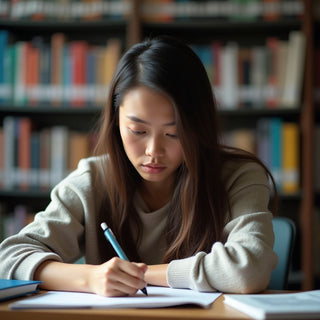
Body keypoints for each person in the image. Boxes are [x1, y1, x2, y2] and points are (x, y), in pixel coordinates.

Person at [0, 36, 278, 296]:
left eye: (174, 134)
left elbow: (248, 268)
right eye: (138, 131)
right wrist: (92, 278)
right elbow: (10, 257)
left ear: (198, 127)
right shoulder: (94, 179)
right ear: (117, 122)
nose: (153, 151)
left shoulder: (238, 177)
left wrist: (143, 275)